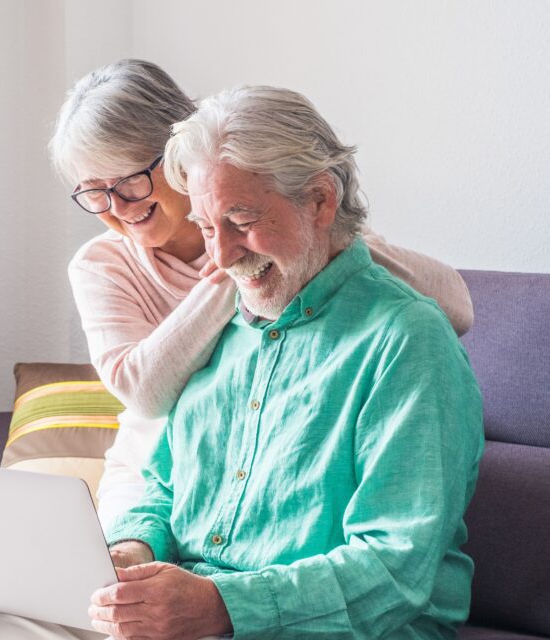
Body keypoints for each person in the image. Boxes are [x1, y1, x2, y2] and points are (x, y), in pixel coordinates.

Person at [0, 76, 483, 640]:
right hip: (215, 607)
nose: (219, 261)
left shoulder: (405, 339)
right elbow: (160, 480)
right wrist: (133, 550)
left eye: (241, 220)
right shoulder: (224, 324)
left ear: (321, 202)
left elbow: (394, 567)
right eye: (204, 228)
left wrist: (219, 605)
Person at [55, 60, 473, 533]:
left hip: (262, 463)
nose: (118, 207)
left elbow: (457, 308)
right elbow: (142, 394)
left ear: (178, 152)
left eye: (130, 180)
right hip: (155, 467)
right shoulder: (102, 264)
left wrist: (327, 242)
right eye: (93, 193)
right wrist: (239, 269)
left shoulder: (285, 219)